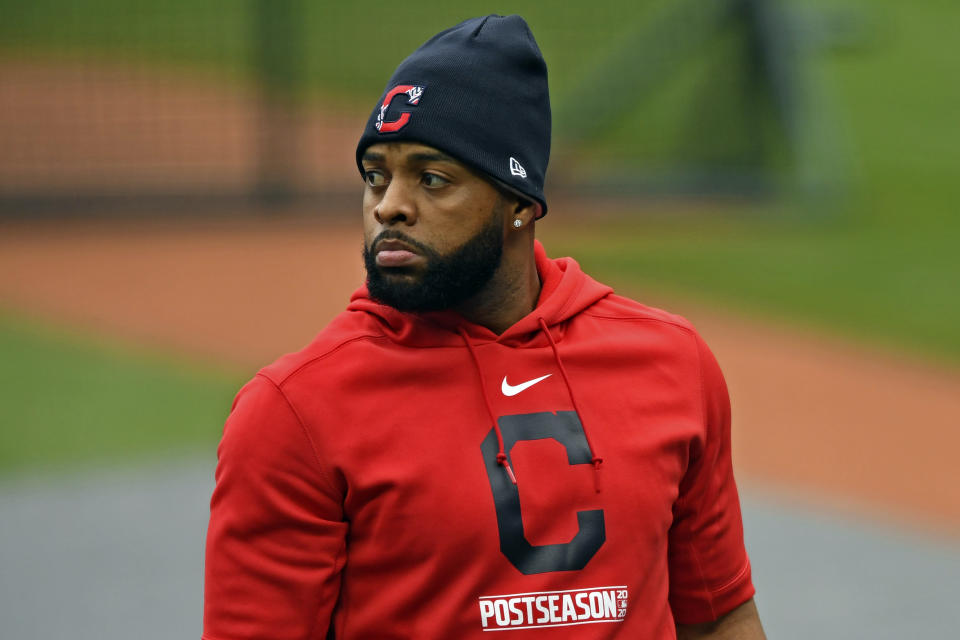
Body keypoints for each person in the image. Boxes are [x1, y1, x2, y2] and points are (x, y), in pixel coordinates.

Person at [203, 14, 765, 640]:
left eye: (431, 178)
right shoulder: (296, 413)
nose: (389, 204)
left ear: (520, 202)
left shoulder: (670, 363)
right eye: (375, 175)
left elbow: (718, 619)